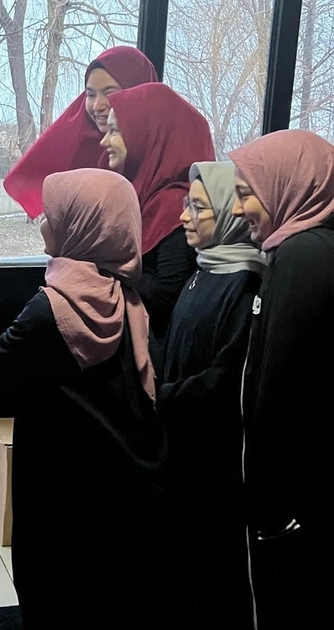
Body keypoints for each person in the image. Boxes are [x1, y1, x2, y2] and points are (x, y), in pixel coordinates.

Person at [0, 169, 167, 629]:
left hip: (62, 484)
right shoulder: (127, 297)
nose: (41, 220)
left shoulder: (55, 309)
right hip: (122, 476)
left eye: (53, 212)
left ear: (80, 225)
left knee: (54, 588)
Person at [229, 129, 334, 630]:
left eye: (247, 193)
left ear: (287, 187)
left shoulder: (301, 258)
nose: (239, 209)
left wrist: (266, 510)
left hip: (297, 505)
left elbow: (278, 387)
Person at [159, 161, 265, 629]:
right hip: (179, 438)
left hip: (211, 456)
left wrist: (164, 397)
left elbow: (224, 378)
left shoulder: (244, 280)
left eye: (198, 207)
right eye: (188, 204)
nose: (185, 216)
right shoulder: (204, 268)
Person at [100, 83, 216, 374]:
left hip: (160, 361)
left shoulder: (172, 205)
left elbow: (167, 295)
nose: (104, 141)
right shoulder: (147, 194)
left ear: (144, 136)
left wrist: (111, 267)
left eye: (114, 131)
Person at [3, 46, 158, 219]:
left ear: (140, 94)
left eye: (110, 93)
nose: (97, 105)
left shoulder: (161, 163)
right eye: (90, 95)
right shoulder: (82, 149)